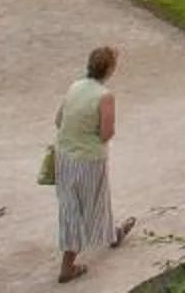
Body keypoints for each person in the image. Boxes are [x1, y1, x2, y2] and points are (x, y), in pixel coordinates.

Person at [52, 45, 133, 282]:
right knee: (86, 206)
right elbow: (106, 133)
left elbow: (58, 120)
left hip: (64, 155)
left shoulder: (75, 86)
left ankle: (112, 234)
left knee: (75, 204)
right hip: (88, 159)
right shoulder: (104, 96)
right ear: (109, 70)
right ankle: (67, 266)